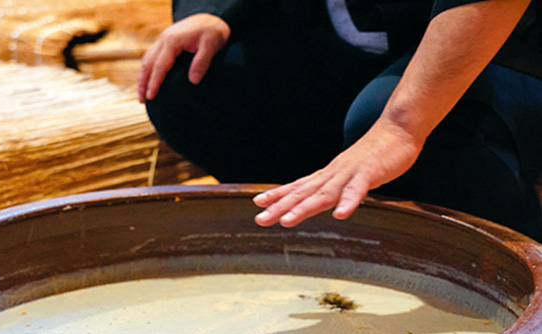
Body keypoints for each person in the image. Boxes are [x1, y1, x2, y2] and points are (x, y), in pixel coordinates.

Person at [138, 0, 542, 241]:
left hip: (503, 41)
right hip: (336, 29)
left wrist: (400, 127)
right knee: (191, 80)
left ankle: (513, 273)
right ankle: (317, 235)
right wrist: (214, 11)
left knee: (405, 121)